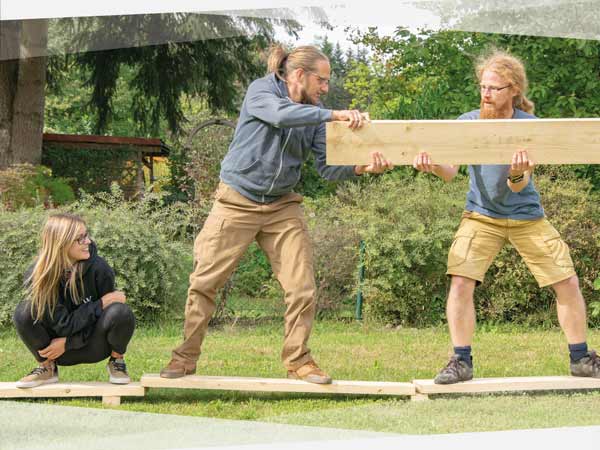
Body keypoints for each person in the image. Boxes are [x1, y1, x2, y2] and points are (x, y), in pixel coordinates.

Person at [160, 45, 393, 384]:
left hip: (283, 206)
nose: (325, 89)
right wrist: (334, 115)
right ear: (299, 75)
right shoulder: (261, 90)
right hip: (236, 201)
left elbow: (326, 169)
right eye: (322, 80)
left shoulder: (315, 113)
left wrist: (362, 168)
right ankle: (184, 358)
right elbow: (281, 115)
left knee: (301, 287)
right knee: (204, 283)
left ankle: (299, 361)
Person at [413, 50, 599, 384]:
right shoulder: (467, 123)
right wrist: (432, 166)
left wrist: (516, 173)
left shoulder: (530, 127)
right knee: (460, 281)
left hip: (528, 215)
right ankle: (461, 362)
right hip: (481, 215)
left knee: (567, 282)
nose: (486, 94)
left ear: (513, 89)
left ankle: (581, 359)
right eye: (483, 87)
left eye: (494, 88)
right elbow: (450, 172)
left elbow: (519, 185)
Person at [13, 213, 135, 388]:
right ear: (61, 244)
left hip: (94, 345)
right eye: (80, 239)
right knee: (24, 311)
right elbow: (63, 325)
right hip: (54, 351)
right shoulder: (37, 275)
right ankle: (47, 368)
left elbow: (107, 317)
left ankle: (117, 361)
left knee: (120, 311)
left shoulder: (99, 268)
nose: (88, 242)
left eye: (86, 235)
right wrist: (100, 303)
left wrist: (71, 341)